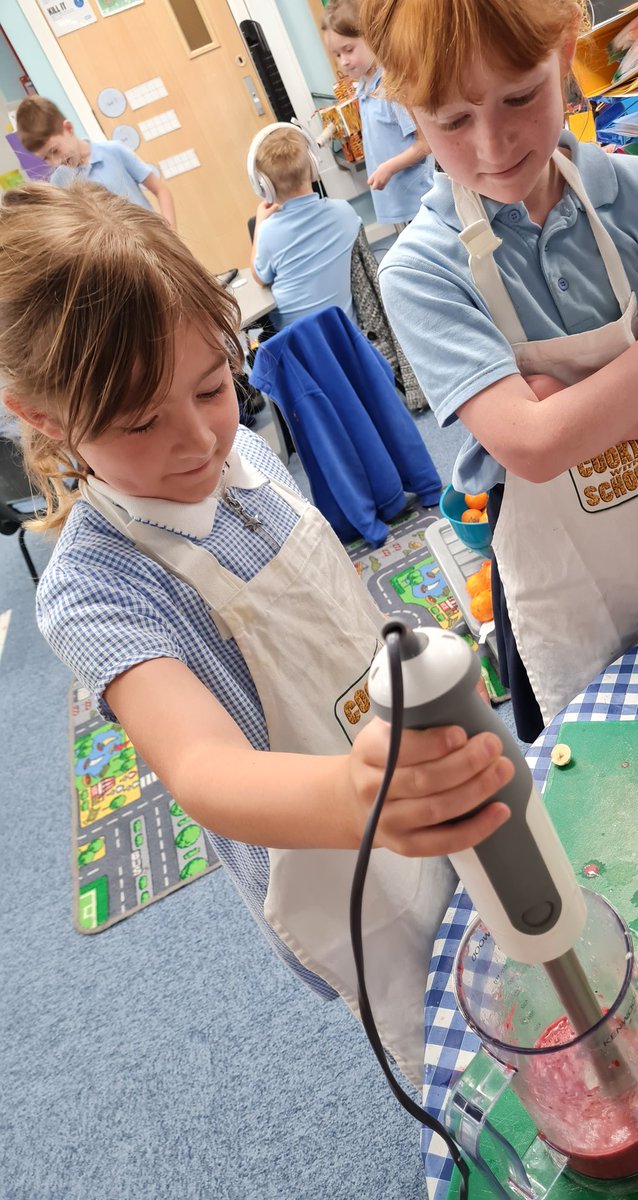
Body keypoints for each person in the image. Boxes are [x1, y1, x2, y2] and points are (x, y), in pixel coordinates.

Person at [0, 181, 511, 1084]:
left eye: (212, 388)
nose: (197, 438)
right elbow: (203, 771)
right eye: (139, 422)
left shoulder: (248, 456)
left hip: (407, 761)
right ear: (46, 419)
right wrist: (363, 797)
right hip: (338, 855)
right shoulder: (93, 589)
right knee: (458, 1045)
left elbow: (330, 603)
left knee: (520, 945)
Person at [363, 0, 638, 742]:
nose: (494, 142)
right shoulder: (420, 270)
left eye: (519, 96)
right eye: (451, 121)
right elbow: (532, 450)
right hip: (560, 605)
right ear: (408, 110)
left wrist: (562, 416)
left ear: (565, 52)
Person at [321, 0, 434, 225]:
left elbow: (426, 144)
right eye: (336, 54)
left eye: (349, 50)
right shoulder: (364, 88)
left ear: (371, 36)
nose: (343, 61)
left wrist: (388, 168)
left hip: (420, 203)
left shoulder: (391, 87)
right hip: (400, 205)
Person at [250, 124, 361, 330]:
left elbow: (259, 277)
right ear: (313, 165)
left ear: (264, 186)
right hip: (347, 334)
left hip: (298, 346)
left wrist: (259, 224)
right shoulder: (344, 213)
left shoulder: (268, 232)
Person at [15, 96, 176, 228]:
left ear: (68, 129)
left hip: (157, 245)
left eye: (55, 151)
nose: (56, 161)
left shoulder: (114, 151)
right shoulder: (58, 183)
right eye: (45, 158)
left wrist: (171, 236)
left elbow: (161, 190)